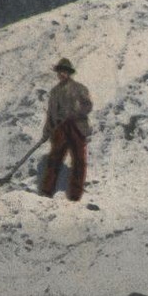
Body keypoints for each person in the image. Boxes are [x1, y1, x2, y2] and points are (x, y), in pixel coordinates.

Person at [40, 57, 92, 202]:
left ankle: (75, 195)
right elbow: (50, 114)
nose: (62, 74)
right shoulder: (55, 92)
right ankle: (46, 191)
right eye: (60, 71)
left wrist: (77, 112)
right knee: (54, 159)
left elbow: (88, 106)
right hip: (60, 129)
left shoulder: (80, 88)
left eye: (65, 71)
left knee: (79, 161)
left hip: (76, 126)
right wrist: (46, 132)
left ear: (69, 73)